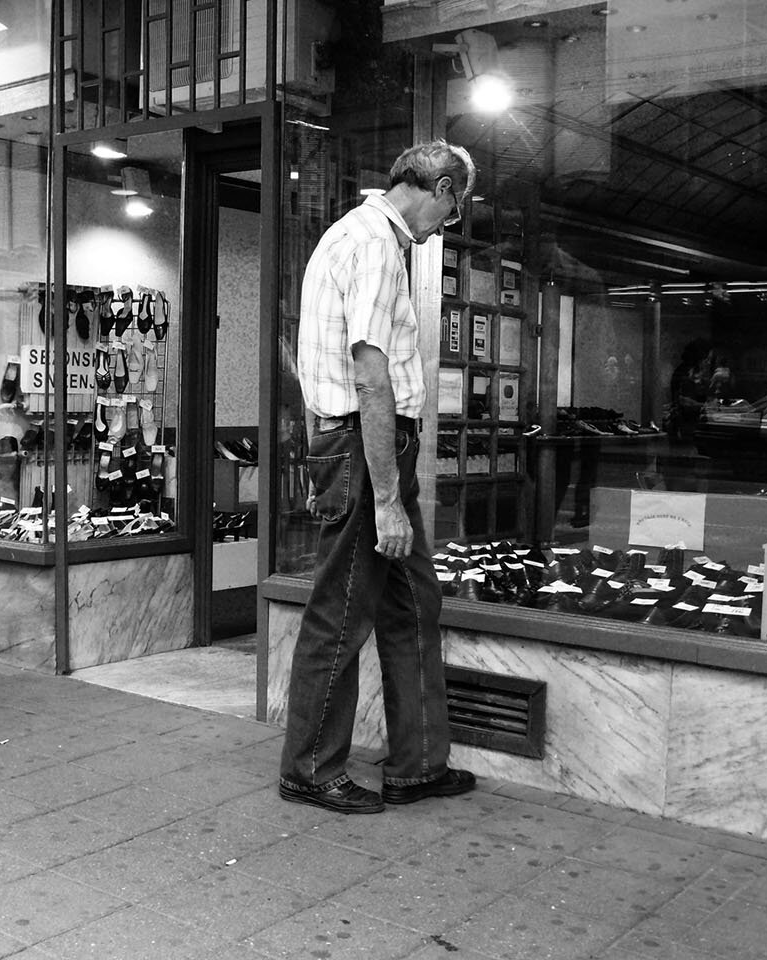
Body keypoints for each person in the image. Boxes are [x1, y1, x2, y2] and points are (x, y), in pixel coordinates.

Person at [280, 141, 477, 814]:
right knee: (341, 613)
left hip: (375, 449)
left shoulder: (369, 239)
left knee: (412, 602)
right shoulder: (373, 245)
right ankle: (308, 767)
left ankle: (418, 763)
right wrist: (388, 498)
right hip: (364, 451)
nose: (449, 223)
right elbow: (370, 377)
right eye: (456, 206)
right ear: (442, 187)